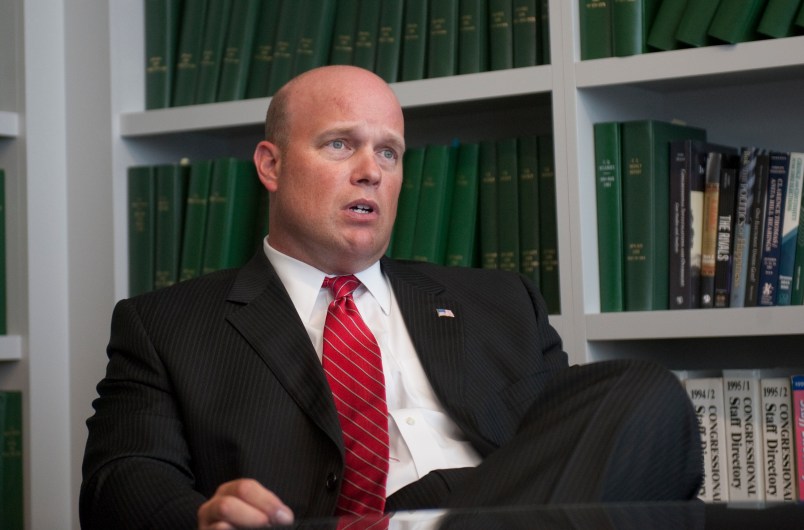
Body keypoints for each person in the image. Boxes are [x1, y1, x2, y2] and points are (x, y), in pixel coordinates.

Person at [80, 65, 702, 530]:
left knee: (642, 389)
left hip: (502, 511)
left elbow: (566, 454)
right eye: (340, 145)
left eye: (389, 152)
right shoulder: (167, 325)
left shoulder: (502, 301)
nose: (371, 171)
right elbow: (122, 481)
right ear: (270, 166)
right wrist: (202, 517)